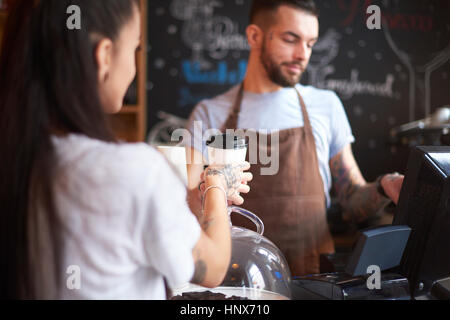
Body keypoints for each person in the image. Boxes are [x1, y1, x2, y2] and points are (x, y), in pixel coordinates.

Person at [0, 0, 251, 299]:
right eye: (135, 48)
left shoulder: (19, 155)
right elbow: (214, 268)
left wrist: (186, 205)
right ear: (105, 55)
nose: (134, 65)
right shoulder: (132, 170)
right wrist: (216, 185)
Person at [185, 0, 404, 276]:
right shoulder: (209, 114)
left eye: (311, 44)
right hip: (239, 281)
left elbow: (351, 202)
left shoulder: (325, 106)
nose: (303, 54)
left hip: (314, 280)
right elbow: (186, 208)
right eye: (291, 40)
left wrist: (386, 186)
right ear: (254, 36)